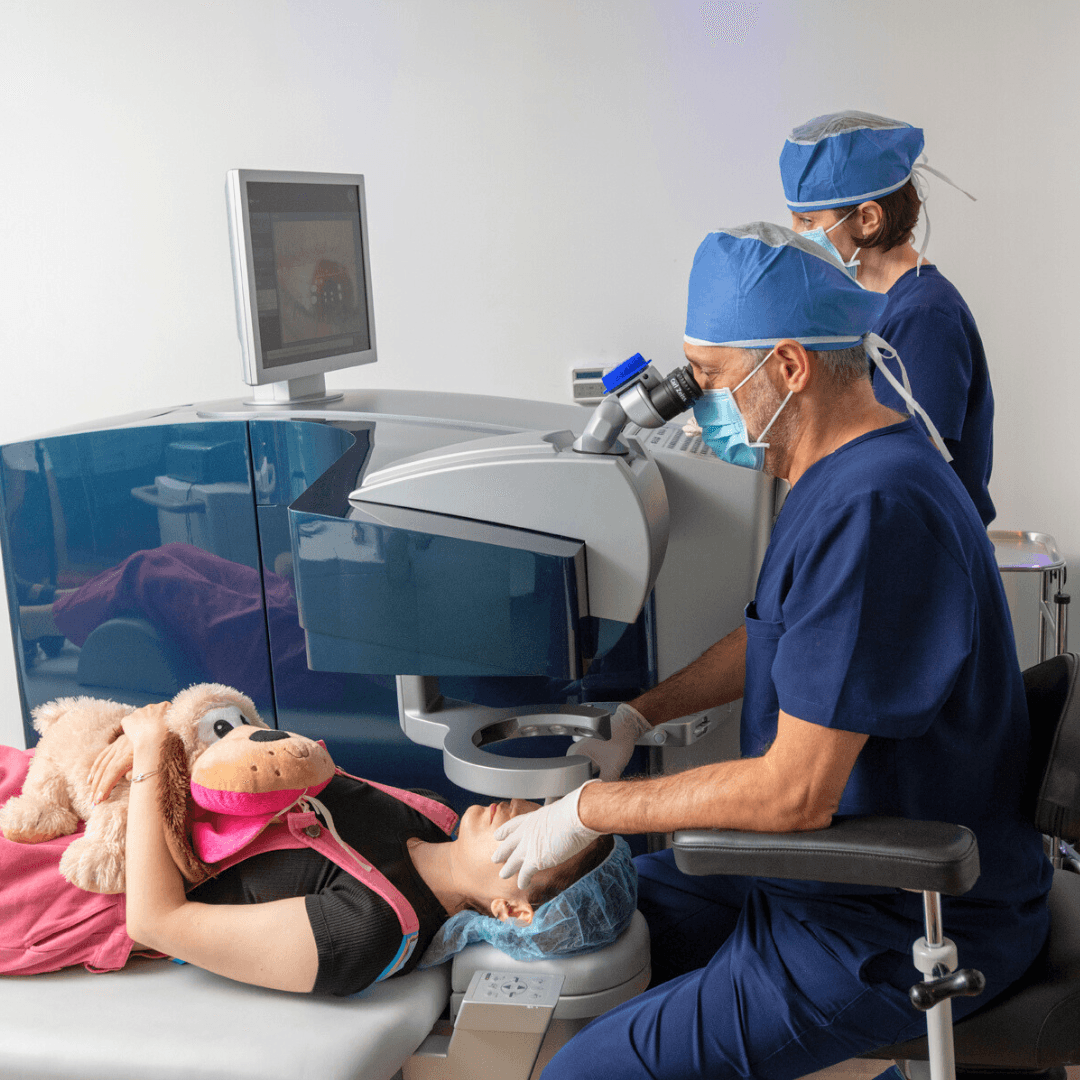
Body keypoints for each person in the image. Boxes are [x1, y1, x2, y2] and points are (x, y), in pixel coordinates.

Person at [493, 223, 1051, 1080]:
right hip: (816, 878)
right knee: (596, 910)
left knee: (578, 1073)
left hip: (884, 917)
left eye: (710, 377)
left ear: (788, 366)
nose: (699, 402)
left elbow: (795, 793)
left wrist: (587, 810)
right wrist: (638, 715)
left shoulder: (875, 508)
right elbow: (772, 642)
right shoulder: (841, 472)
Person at [0, 704, 636, 994]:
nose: (523, 812)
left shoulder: (368, 931)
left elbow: (156, 919)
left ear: (514, 911)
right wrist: (163, 734)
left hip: (67, 880)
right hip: (68, 789)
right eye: (549, 816)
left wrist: (148, 755)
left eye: (539, 843)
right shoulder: (425, 810)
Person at [781, 110, 996, 526]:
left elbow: (894, 476)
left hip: (919, 549)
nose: (794, 233)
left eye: (807, 221)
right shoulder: (865, 306)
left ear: (867, 219)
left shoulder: (925, 317)